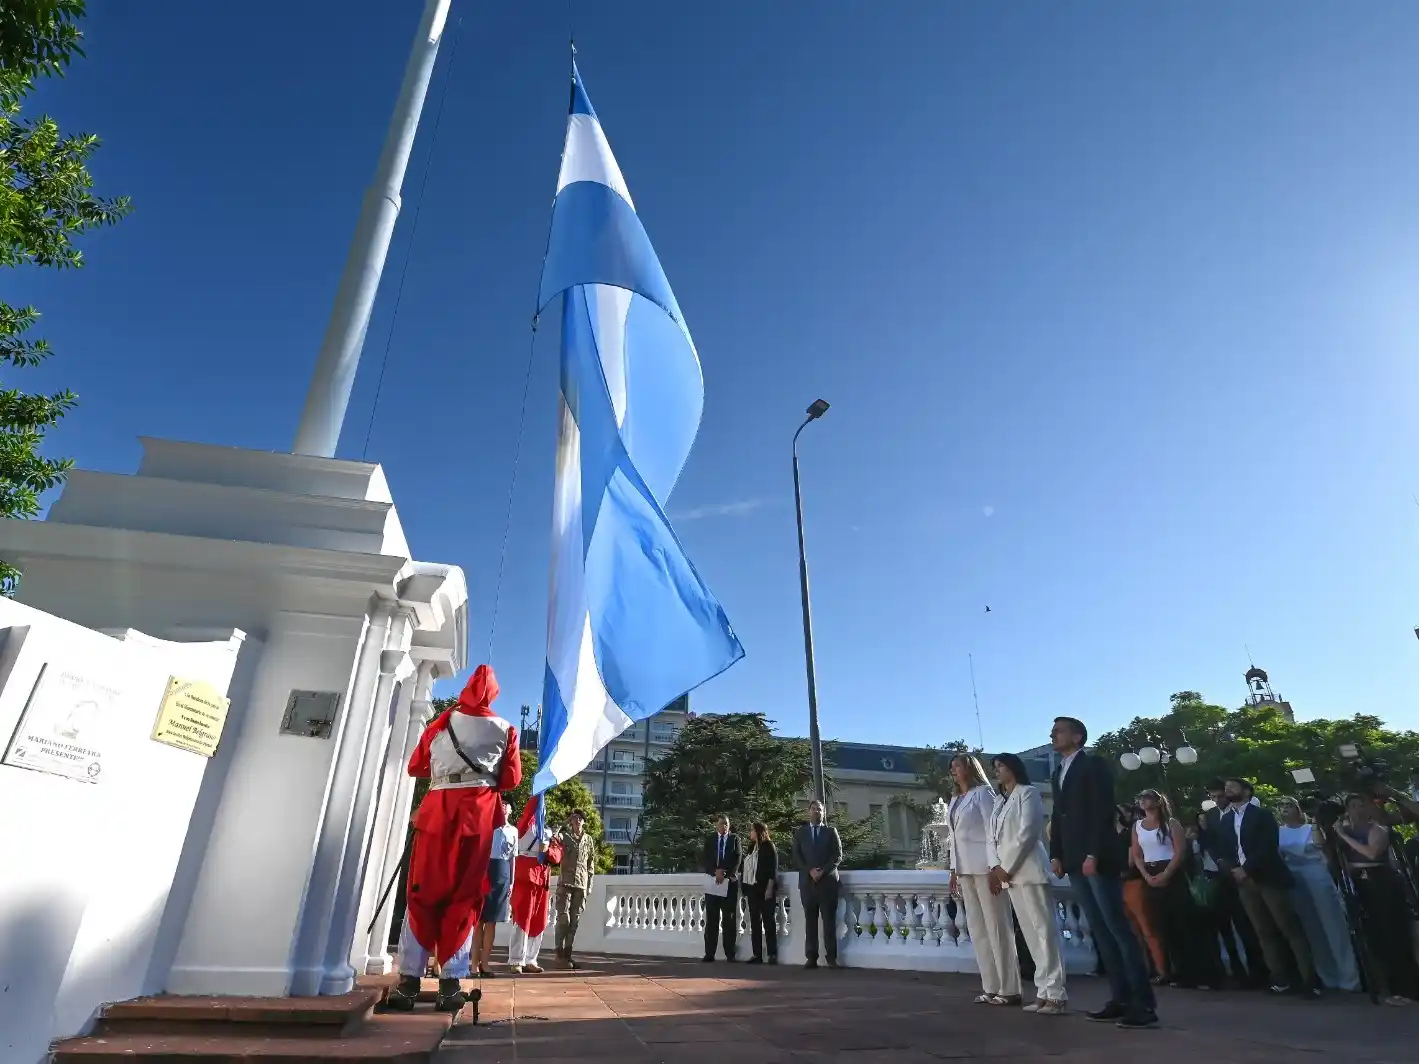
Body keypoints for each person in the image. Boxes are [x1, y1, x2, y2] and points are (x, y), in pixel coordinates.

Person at [387, 664, 521, 1013]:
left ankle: (407, 984)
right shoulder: (506, 729)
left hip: (437, 815)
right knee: (464, 898)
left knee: (421, 894)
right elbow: (511, 780)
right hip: (475, 819)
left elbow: (416, 768)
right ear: (493, 694)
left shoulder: (440, 724)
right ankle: (450, 986)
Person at [1048, 716, 1158, 1029]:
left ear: (1077, 735)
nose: (1053, 734)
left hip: (1096, 858)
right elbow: (1059, 815)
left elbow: (1101, 810)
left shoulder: (1093, 765)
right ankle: (1119, 997)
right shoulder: (1059, 772)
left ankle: (1143, 1003)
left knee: (1117, 928)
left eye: (1059, 730)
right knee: (1099, 930)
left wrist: (1094, 852)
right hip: (1073, 859)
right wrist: (1056, 853)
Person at [1216, 778, 1318, 996]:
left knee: (1289, 927)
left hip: (1269, 878)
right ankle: (1280, 978)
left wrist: (1248, 868)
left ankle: (1310, 979)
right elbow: (1222, 850)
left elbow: (1268, 846)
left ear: (1246, 790)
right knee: (1263, 931)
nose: (1228, 790)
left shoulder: (1261, 815)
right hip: (1244, 882)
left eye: (1233, 786)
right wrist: (1232, 869)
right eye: (1226, 787)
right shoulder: (1225, 821)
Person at [988, 753, 1065, 1014]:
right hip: (1008, 875)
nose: (997, 771)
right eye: (995, 767)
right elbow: (992, 839)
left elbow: (1028, 833)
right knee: (1031, 935)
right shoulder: (999, 801)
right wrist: (995, 866)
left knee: (1045, 931)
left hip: (1028, 870)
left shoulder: (1028, 793)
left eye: (1001, 766)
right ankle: (1042, 991)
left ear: (1014, 768)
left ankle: (1056, 993)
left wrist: (1006, 867)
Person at [1333, 793, 1419, 1005]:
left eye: (1361, 805)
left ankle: (1408, 989)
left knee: (1394, 935)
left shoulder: (1377, 829)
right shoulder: (1345, 830)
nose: (1358, 809)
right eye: (1352, 806)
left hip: (1382, 883)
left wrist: (1345, 837)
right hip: (1360, 885)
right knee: (1375, 937)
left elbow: (1371, 852)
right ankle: (1388, 988)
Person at [1131, 789, 1221, 989]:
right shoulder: (1137, 825)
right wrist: (1147, 875)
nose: (1142, 801)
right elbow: (1137, 854)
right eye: (1140, 798)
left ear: (1157, 800)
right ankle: (1178, 971)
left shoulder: (1171, 823)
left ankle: (1199, 973)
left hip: (1171, 872)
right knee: (1163, 925)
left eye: (1146, 797)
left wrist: (1166, 874)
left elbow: (1179, 851)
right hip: (1150, 871)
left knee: (1183, 923)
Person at [949, 753, 1020, 1005]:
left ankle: (1009, 988)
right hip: (965, 869)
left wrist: (995, 867)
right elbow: (954, 837)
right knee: (978, 929)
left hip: (985, 867)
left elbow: (994, 832)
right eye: (952, 767)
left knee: (997, 926)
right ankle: (990, 986)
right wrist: (953, 870)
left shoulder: (983, 794)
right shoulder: (956, 799)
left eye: (958, 766)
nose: (954, 771)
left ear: (970, 769)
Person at [1275, 797, 1360, 992]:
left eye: (1289, 806)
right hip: (1294, 876)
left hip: (1316, 872)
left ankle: (1349, 979)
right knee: (1311, 927)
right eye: (1281, 807)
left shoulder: (1309, 828)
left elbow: (1322, 846)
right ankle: (1328, 977)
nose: (1285, 810)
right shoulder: (1278, 832)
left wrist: (1314, 822)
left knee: (1332, 924)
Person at [1199, 781, 1265, 986]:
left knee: (1246, 925)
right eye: (1214, 797)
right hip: (1219, 875)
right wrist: (1218, 859)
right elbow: (1207, 841)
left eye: (1221, 796)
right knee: (1224, 927)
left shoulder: (1237, 813)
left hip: (1240, 873)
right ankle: (1237, 971)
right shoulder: (1210, 816)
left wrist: (1234, 865)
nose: (1218, 800)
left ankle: (1258, 972)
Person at [508, 798, 563, 974]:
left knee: (539, 921)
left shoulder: (547, 832)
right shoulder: (525, 827)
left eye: (544, 806)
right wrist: (538, 793)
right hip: (526, 877)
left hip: (543, 880)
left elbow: (557, 856)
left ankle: (531, 959)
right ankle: (517, 959)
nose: (542, 809)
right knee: (522, 919)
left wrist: (547, 850)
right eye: (540, 806)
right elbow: (528, 812)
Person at [1118, 804, 1167, 982]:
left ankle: (1161, 969)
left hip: (1134, 883)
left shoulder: (1128, 834)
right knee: (1133, 931)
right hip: (1118, 885)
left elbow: (1131, 861)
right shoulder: (1107, 837)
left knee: (1147, 929)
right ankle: (1144, 970)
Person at [792, 799, 843, 969]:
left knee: (829, 922)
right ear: (808, 812)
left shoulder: (830, 832)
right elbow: (797, 856)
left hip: (827, 883)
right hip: (808, 883)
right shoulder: (801, 834)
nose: (817, 812)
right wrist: (810, 871)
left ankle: (831, 957)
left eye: (820, 809)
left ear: (824, 813)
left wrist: (822, 871)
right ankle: (811, 957)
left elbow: (837, 856)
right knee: (810, 921)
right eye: (814, 809)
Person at [471, 795, 517, 977]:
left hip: (503, 873)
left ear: (511, 810)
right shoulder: (487, 824)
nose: (504, 806)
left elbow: (514, 857)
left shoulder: (513, 831)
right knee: (478, 921)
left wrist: (512, 881)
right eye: (502, 804)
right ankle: (473, 964)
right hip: (484, 871)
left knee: (492, 922)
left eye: (507, 805)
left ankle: (485, 963)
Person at [554, 809, 597, 969]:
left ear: (584, 821)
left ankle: (567, 955)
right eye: (575, 818)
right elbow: (552, 835)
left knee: (575, 922)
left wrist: (589, 885)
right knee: (564, 919)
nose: (577, 820)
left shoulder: (588, 840)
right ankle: (558, 954)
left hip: (581, 884)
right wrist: (564, 822)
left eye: (580, 818)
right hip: (565, 883)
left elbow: (590, 865)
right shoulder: (564, 837)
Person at [701, 815, 742, 962]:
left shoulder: (734, 839)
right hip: (712, 883)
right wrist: (715, 871)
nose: (724, 826)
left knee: (729, 920)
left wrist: (725, 873)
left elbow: (737, 858)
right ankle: (709, 953)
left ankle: (730, 953)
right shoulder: (711, 839)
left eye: (726, 824)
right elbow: (705, 858)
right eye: (721, 824)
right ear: (716, 825)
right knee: (712, 919)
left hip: (729, 884)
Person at [743, 821, 779, 964]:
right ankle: (757, 954)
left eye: (752, 830)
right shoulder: (752, 847)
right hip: (753, 889)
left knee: (769, 922)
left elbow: (773, 869)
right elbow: (745, 866)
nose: (750, 833)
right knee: (755, 923)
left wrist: (770, 888)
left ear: (759, 832)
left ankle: (772, 954)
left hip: (765, 889)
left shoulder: (769, 846)